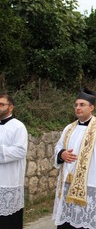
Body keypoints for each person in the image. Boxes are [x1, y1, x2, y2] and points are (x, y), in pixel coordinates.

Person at [52, 89, 96, 229]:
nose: (78, 108)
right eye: (76, 105)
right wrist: (61, 154)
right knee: (66, 224)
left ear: (91, 108)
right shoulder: (69, 128)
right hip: (67, 185)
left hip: (90, 187)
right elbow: (58, 147)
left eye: (82, 104)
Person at [0, 92, 28, 229]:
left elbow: (20, 151)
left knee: (8, 222)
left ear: (11, 107)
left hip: (9, 181)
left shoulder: (18, 126)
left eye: (1, 104)